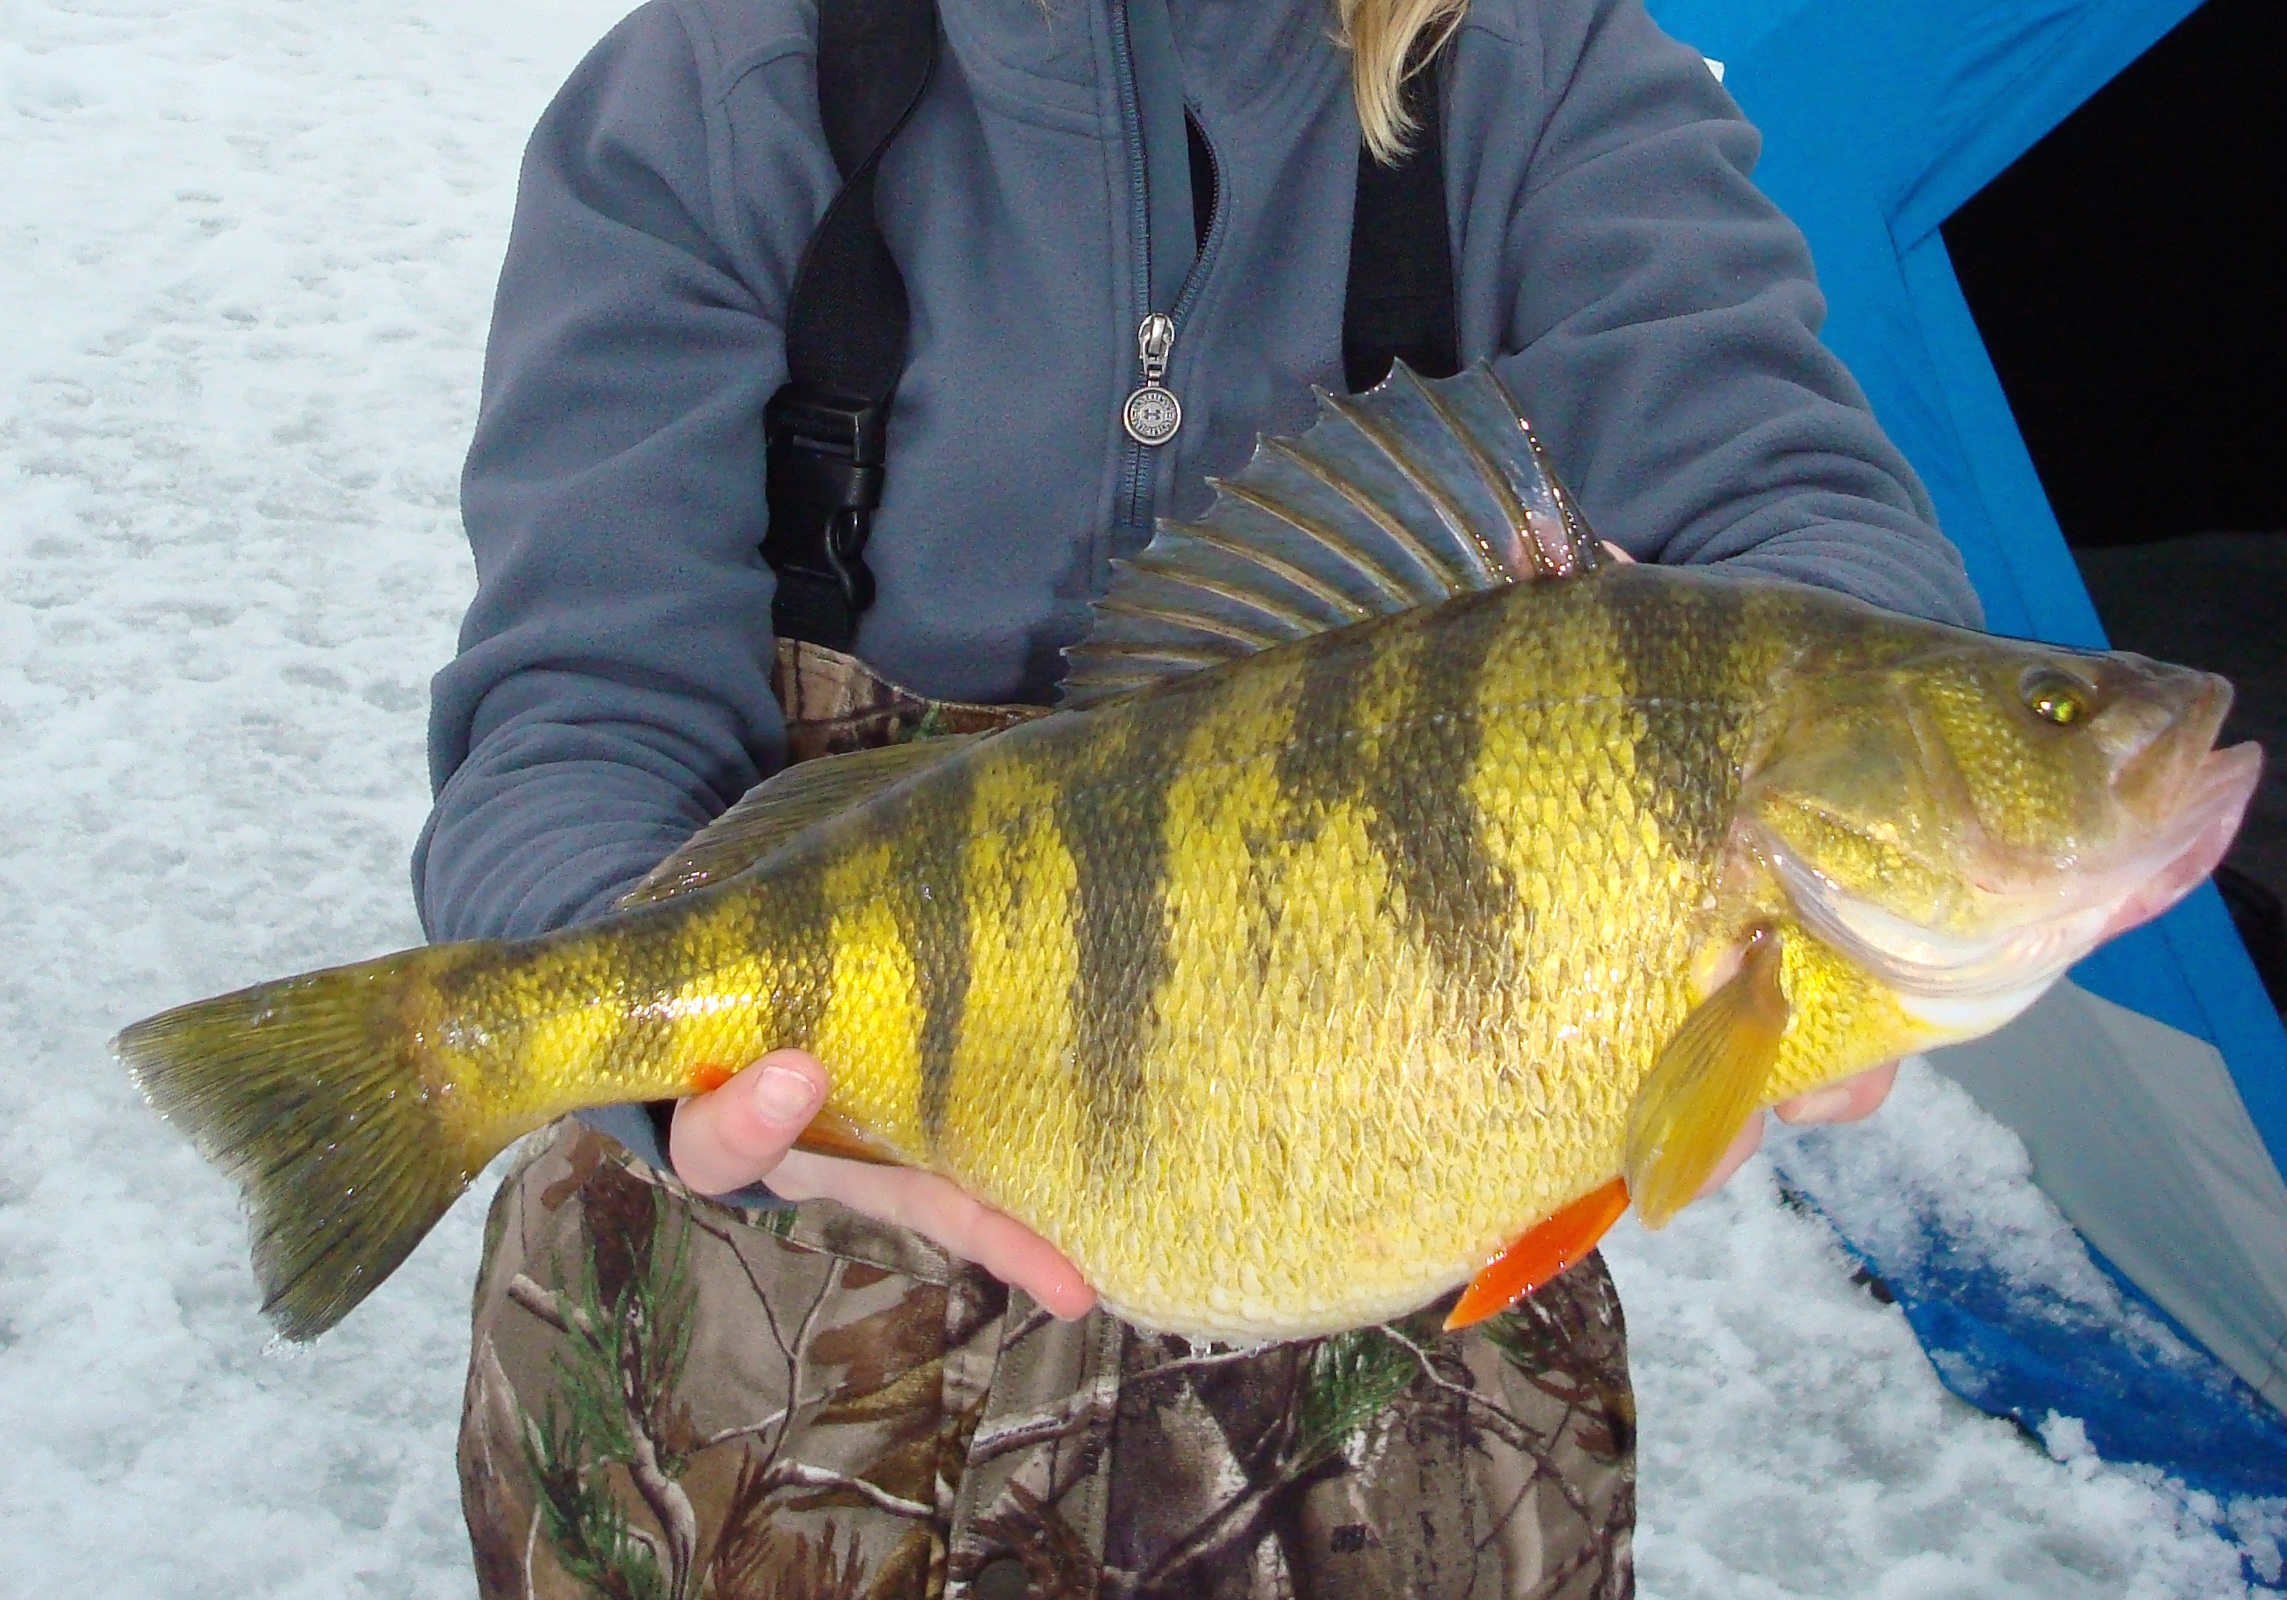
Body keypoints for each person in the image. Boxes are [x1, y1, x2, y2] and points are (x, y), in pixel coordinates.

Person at [419, 0, 1975, 1590]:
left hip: (1385, 1436)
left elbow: (1803, 515)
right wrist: (653, 1042)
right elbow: (573, 711)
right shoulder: (719, 89)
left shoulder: (1535, 68)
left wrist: (1811, 806)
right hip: (746, 1364)